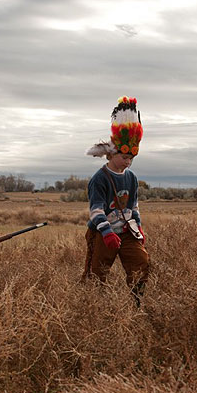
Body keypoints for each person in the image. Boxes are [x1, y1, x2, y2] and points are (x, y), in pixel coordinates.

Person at [83, 96, 150, 307]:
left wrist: (137, 225)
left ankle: (136, 303)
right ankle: (94, 308)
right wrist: (106, 232)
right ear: (111, 154)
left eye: (132, 158)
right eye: (124, 157)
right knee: (97, 273)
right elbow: (95, 210)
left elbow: (134, 206)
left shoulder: (131, 178)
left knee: (141, 263)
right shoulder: (99, 179)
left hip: (127, 232)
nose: (128, 162)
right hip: (103, 234)